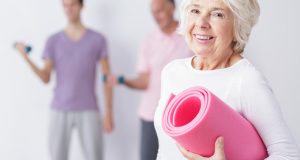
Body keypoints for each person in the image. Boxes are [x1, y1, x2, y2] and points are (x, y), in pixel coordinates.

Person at [153, 0, 300, 159]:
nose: (201, 23)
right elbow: (166, 149)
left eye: (217, 14)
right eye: (195, 11)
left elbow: (288, 154)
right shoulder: (172, 71)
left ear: (238, 25)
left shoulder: (245, 79)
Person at [15, 0, 114, 159]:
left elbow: (107, 78)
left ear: (82, 5)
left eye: (73, 4)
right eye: (65, 5)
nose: (69, 9)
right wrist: (25, 57)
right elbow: (45, 77)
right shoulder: (53, 40)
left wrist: (109, 112)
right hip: (60, 109)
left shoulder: (98, 39)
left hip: (88, 108)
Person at [110, 0, 192, 159]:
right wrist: (121, 80)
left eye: (159, 10)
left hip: (181, 115)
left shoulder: (190, 35)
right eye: (153, 12)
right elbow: (144, 81)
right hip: (151, 115)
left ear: (172, 8)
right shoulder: (148, 41)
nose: (156, 16)